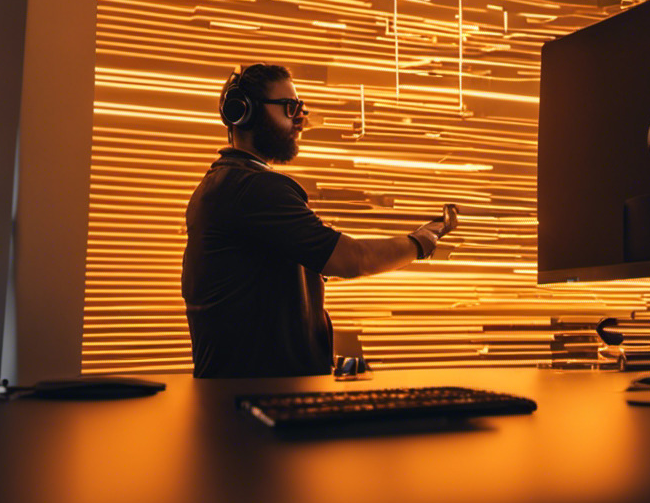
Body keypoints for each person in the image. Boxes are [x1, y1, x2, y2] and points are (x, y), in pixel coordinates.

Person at [182, 63, 457, 377]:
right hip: (260, 397)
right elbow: (353, 259)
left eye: (301, 107)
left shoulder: (223, 185)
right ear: (243, 112)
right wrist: (420, 243)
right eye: (290, 108)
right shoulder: (254, 189)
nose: (301, 117)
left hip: (249, 394)